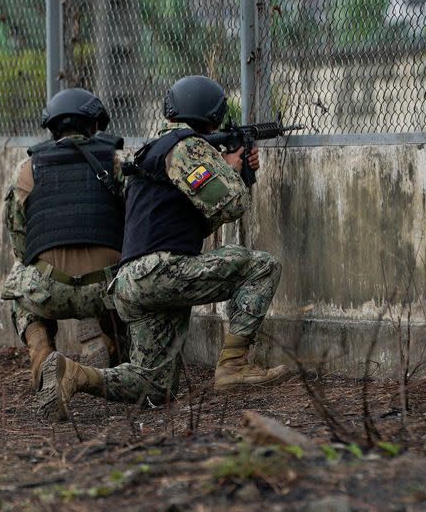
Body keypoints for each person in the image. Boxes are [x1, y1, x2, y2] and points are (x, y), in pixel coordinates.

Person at [37, 76, 289, 421]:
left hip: (131, 283)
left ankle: (75, 375)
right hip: (162, 271)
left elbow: (198, 218)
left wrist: (233, 170)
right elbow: (230, 204)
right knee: (262, 266)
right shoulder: (188, 148)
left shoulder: (153, 150)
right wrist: (232, 171)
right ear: (212, 114)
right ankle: (233, 365)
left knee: (153, 386)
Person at [1, 88, 128, 391]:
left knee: (18, 278)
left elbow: (20, 245)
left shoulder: (26, 169)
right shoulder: (117, 161)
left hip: (49, 289)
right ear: (94, 125)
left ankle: (43, 355)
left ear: (52, 127)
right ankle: (109, 346)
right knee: (125, 268)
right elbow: (135, 225)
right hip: (105, 288)